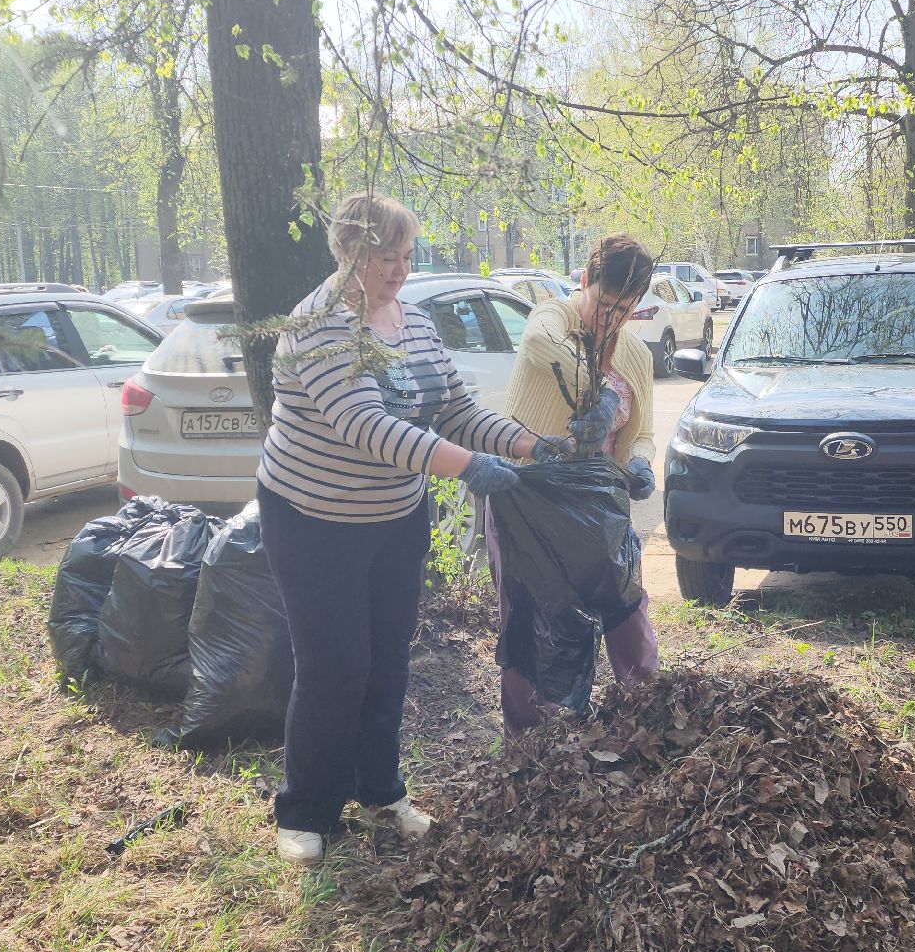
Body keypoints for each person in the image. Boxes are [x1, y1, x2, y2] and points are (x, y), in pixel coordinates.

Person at [258, 192, 563, 865]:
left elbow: (457, 410)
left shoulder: (415, 322)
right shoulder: (321, 326)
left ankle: (380, 790)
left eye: (406, 256)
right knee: (334, 665)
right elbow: (368, 427)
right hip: (314, 521)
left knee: (388, 657)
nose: (399, 270)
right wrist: (465, 467)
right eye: (383, 257)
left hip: (394, 518)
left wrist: (531, 446)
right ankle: (305, 810)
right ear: (347, 253)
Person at [491, 235, 662, 732]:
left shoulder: (637, 356)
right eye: (604, 303)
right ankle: (534, 742)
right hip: (527, 496)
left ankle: (646, 718)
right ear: (584, 282)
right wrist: (602, 392)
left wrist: (640, 464)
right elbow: (540, 344)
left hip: (598, 505)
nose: (611, 318)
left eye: (625, 308)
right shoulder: (553, 318)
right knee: (533, 621)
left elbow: (642, 434)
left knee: (626, 609)